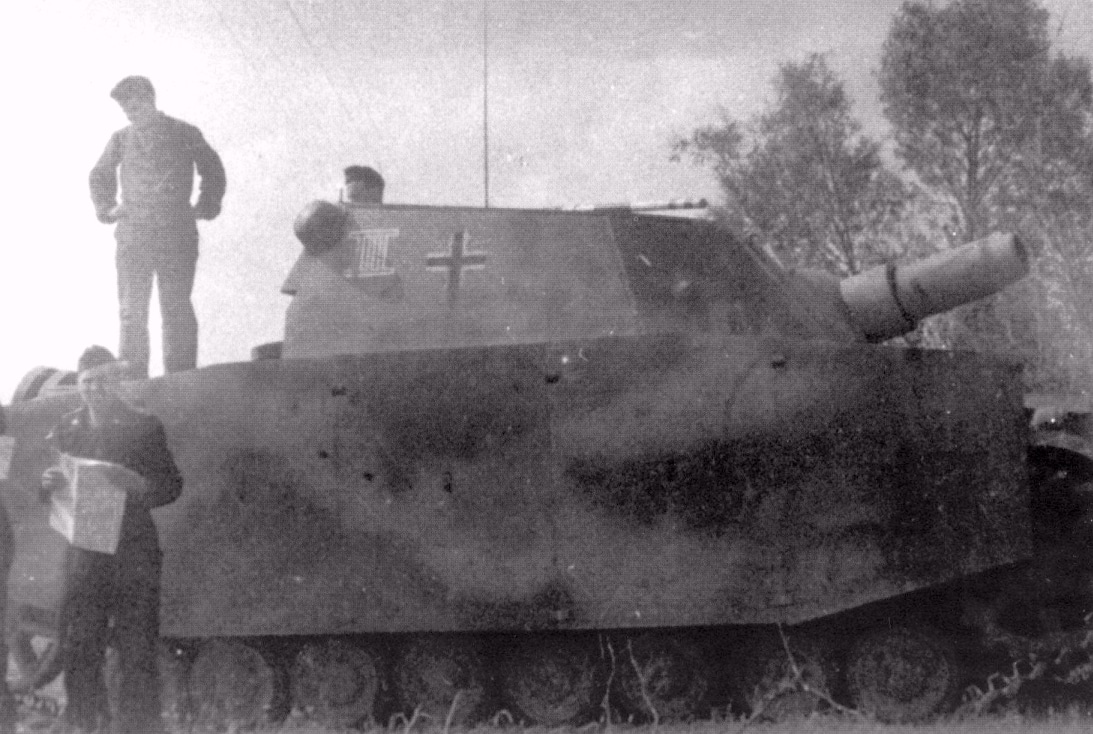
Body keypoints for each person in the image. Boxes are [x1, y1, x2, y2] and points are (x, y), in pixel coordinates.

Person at [41, 346, 183, 734]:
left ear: (116, 380)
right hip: (85, 550)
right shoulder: (68, 427)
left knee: (137, 647)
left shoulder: (144, 425)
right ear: (79, 384)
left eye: (102, 380)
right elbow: (54, 487)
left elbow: (171, 485)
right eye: (87, 382)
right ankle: (84, 725)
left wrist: (137, 484)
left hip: (132, 551)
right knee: (80, 644)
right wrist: (48, 485)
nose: (94, 389)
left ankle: (137, 728)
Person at [89, 75, 227, 379]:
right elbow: (99, 175)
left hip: (176, 236)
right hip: (133, 238)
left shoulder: (184, 132)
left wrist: (206, 205)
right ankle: (133, 379)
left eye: (136, 108)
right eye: (126, 111)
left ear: (150, 101)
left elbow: (213, 168)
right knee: (131, 311)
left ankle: (180, 379)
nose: (131, 116)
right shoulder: (121, 139)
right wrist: (108, 209)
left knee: (176, 307)